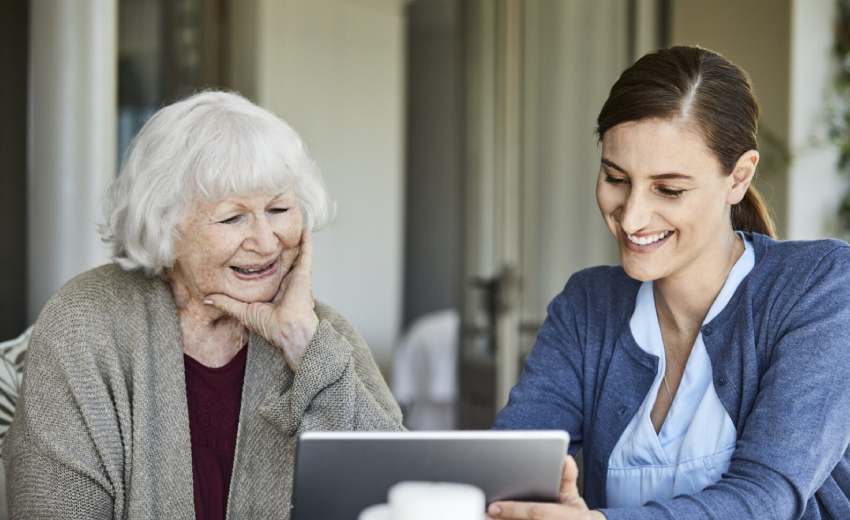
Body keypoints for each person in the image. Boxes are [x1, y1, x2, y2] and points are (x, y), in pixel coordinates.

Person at [487, 46, 850, 520]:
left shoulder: (821, 284)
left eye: (669, 190)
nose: (633, 217)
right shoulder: (587, 304)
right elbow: (511, 470)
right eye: (615, 177)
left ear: (738, 178)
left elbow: (766, 497)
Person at [3, 91, 404, 519]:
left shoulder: (323, 333)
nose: (267, 242)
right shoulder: (85, 325)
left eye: (279, 209)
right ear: (165, 224)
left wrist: (302, 344)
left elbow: (400, 490)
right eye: (233, 217)